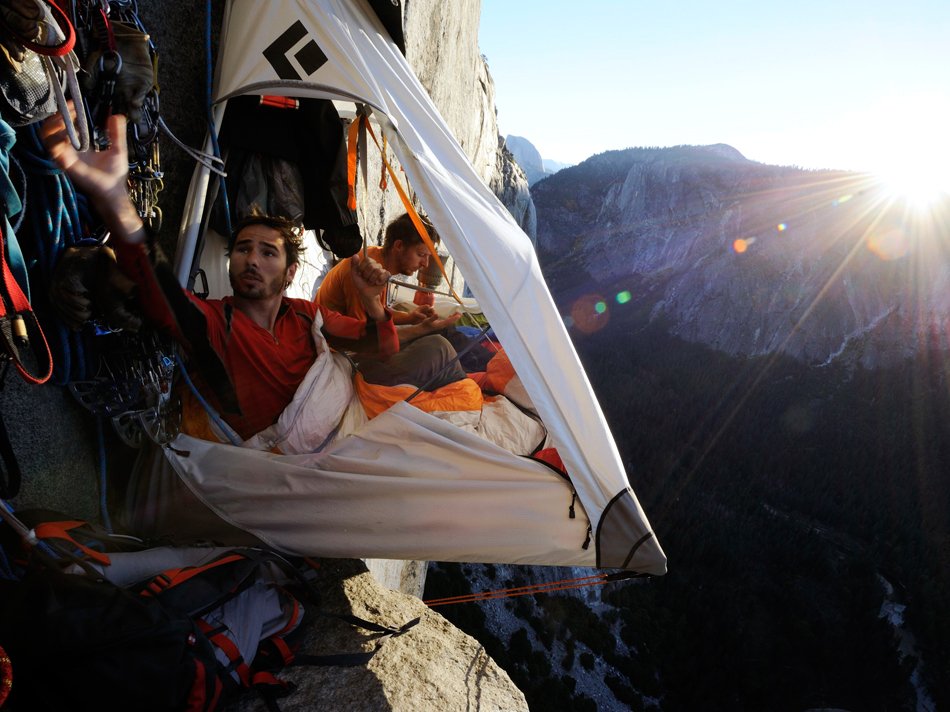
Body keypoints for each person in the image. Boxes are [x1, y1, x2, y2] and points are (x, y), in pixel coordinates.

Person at [40, 107, 464, 540]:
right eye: (243, 249)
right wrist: (116, 203)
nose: (252, 260)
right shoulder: (214, 324)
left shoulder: (305, 317)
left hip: (342, 441)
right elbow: (164, 294)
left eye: (268, 252)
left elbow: (380, 349)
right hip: (292, 476)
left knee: (443, 359)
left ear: (290, 273)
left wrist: (375, 306)